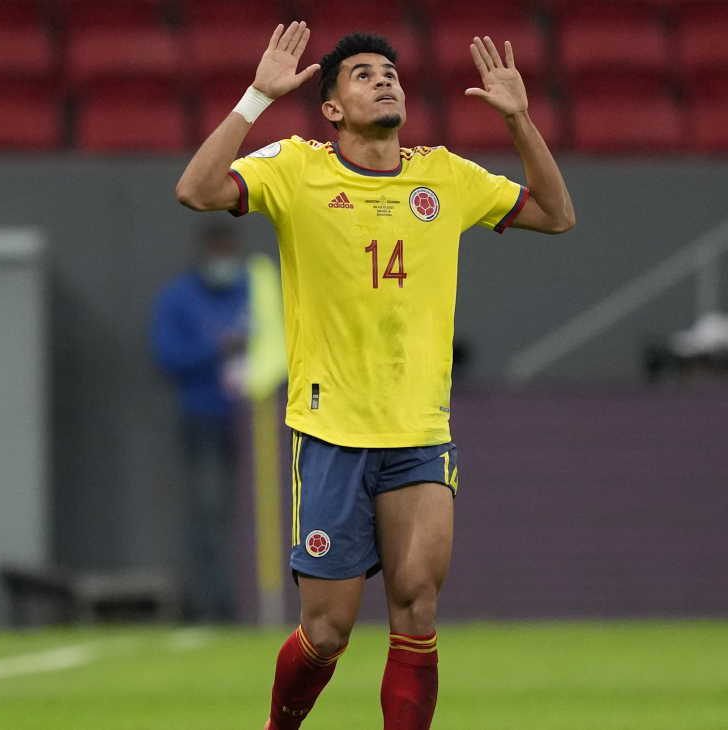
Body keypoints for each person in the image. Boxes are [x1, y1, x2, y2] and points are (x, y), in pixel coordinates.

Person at [174, 23, 574, 730]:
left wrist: (518, 119)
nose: (384, 79)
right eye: (363, 74)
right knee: (327, 631)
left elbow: (555, 214)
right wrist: (255, 98)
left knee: (417, 608)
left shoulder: (443, 175)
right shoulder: (295, 168)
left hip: (420, 433)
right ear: (331, 108)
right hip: (332, 432)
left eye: (389, 73)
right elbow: (197, 189)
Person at [150, 226, 250, 622]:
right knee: (209, 511)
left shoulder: (254, 291)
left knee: (263, 512)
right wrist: (216, 348)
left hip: (260, 421)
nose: (223, 261)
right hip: (204, 416)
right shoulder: (178, 297)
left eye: (228, 252)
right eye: (216, 253)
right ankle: (217, 604)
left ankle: (269, 601)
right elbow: (166, 356)